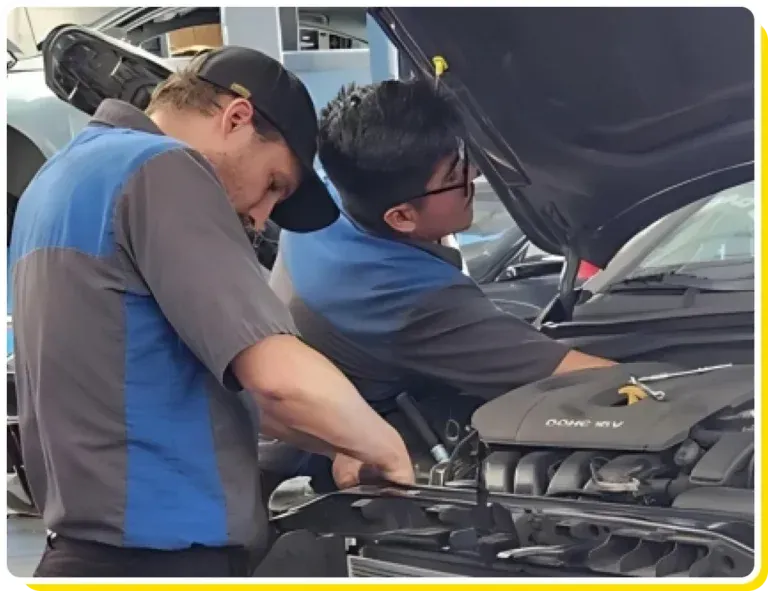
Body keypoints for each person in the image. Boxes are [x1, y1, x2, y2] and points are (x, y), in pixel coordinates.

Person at [9, 47, 413, 578]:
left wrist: (341, 439)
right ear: (237, 118)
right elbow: (275, 378)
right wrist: (388, 450)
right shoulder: (163, 169)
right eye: (274, 185)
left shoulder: (59, 179)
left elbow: (199, 389)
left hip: (78, 553)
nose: (260, 217)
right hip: (166, 561)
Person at [268, 79, 615, 482]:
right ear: (401, 217)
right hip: (328, 467)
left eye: (465, 158)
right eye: (456, 176)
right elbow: (582, 377)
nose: (476, 174)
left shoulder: (328, 194)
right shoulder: (404, 296)